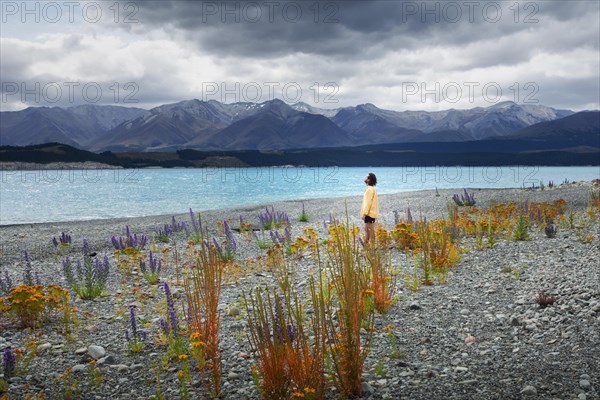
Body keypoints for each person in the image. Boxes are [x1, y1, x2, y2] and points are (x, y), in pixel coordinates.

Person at [360, 172, 379, 244]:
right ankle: (366, 244)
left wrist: (364, 213)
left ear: (369, 180)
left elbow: (368, 203)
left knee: (370, 229)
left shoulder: (369, 189)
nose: (365, 178)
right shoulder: (373, 188)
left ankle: (372, 246)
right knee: (367, 229)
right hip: (371, 212)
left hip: (369, 213)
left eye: (366, 177)